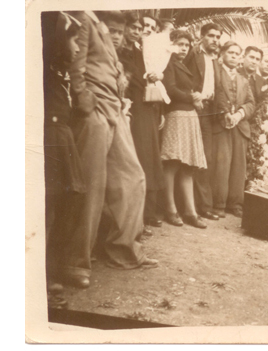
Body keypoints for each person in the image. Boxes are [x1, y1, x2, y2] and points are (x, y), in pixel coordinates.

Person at [65, 10, 157, 288]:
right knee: (92, 187)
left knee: (133, 178)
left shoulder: (102, 27)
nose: (118, 35)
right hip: (95, 115)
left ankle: (123, 250)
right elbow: (74, 67)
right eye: (115, 30)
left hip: (114, 113)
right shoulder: (84, 18)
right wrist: (86, 106)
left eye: (121, 31)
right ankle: (74, 263)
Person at [42, 11, 86, 304]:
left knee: (70, 203)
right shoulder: (43, 72)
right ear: (58, 41)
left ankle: (54, 268)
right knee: (48, 204)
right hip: (50, 139)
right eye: (73, 40)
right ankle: (42, 276)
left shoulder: (61, 74)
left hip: (64, 139)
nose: (78, 47)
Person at [117, 12, 166, 230]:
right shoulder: (125, 51)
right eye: (139, 26)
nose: (143, 30)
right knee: (137, 158)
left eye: (148, 28)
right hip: (133, 106)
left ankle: (148, 212)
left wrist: (160, 109)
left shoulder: (150, 53)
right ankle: (135, 218)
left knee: (150, 159)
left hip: (149, 108)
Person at [161, 30, 208, 229]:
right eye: (180, 44)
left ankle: (190, 212)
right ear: (171, 44)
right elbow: (170, 90)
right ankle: (170, 209)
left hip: (189, 117)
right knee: (172, 163)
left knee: (188, 166)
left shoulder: (182, 65)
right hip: (177, 115)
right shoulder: (167, 64)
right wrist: (192, 97)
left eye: (186, 45)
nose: (183, 48)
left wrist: (193, 98)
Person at [183, 23, 223, 221]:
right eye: (211, 36)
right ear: (202, 36)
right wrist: (192, 96)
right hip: (191, 109)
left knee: (205, 158)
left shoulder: (216, 60)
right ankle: (190, 208)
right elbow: (180, 76)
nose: (215, 40)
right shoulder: (193, 53)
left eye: (217, 36)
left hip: (208, 112)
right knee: (189, 157)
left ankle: (204, 207)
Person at [212, 41, 256, 218]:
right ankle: (218, 204)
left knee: (238, 166)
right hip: (221, 125)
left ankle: (235, 204)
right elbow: (214, 97)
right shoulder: (215, 74)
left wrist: (239, 114)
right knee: (221, 164)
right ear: (222, 54)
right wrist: (224, 115)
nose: (234, 56)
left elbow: (252, 103)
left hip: (240, 127)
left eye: (237, 54)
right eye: (230, 52)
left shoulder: (244, 80)